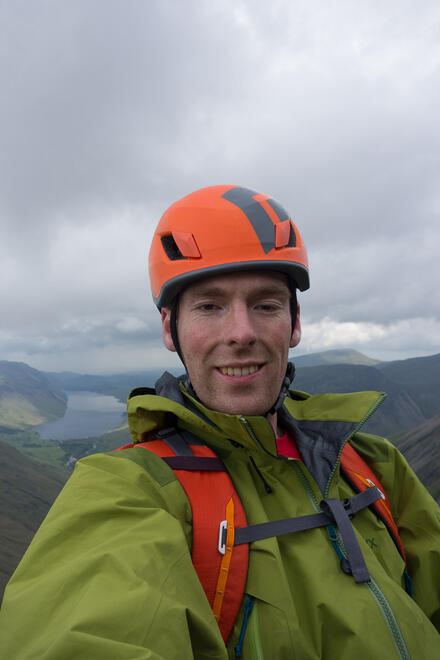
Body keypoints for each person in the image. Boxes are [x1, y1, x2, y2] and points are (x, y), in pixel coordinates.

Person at [1, 184, 439, 659]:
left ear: (294, 323)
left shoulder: (374, 466)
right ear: (171, 329)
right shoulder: (130, 490)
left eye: (266, 305)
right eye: (209, 306)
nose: (241, 333)